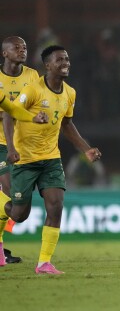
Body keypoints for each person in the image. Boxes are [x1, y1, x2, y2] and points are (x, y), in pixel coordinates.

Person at [0, 45, 101, 273]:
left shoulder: (70, 92)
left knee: (56, 206)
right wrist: (11, 148)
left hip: (51, 158)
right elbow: (8, 114)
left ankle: (44, 262)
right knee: (19, 214)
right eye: (59, 60)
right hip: (25, 159)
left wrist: (85, 149)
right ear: (47, 65)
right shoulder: (32, 89)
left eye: (67, 59)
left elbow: (66, 123)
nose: (65, 63)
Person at [0, 36, 40, 264]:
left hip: (23, 145)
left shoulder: (32, 76)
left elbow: (34, 108)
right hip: (0, 144)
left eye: (25, 47)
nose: (22, 50)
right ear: (5, 53)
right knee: (8, 189)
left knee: (20, 210)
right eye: (16, 47)